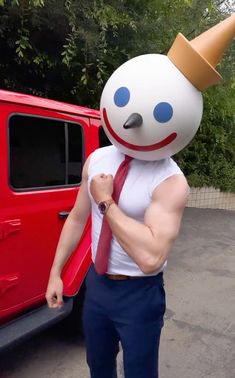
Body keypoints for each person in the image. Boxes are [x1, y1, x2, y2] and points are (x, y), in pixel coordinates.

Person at [46, 14, 234, 378]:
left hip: (139, 294)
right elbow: (77, 218)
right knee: (97, 366)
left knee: (140, 372)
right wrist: (56, 273)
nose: (132, 120)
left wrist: (107, 202)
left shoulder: (169, 181)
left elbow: (150, 257)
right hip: (96, 285)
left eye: (159, 111)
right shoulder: (98, 157)